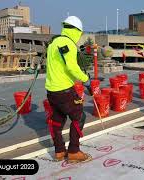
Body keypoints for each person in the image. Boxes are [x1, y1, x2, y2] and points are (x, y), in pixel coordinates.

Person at [45, 16, 92, 163]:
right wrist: (86, 80)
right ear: (76, 31)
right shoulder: (67, 43)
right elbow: (71, 67)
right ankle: (73, 151)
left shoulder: (54, 42)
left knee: (57, 120)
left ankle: (59, 151)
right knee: (79, 117)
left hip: (52, 91)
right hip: (64, 90)